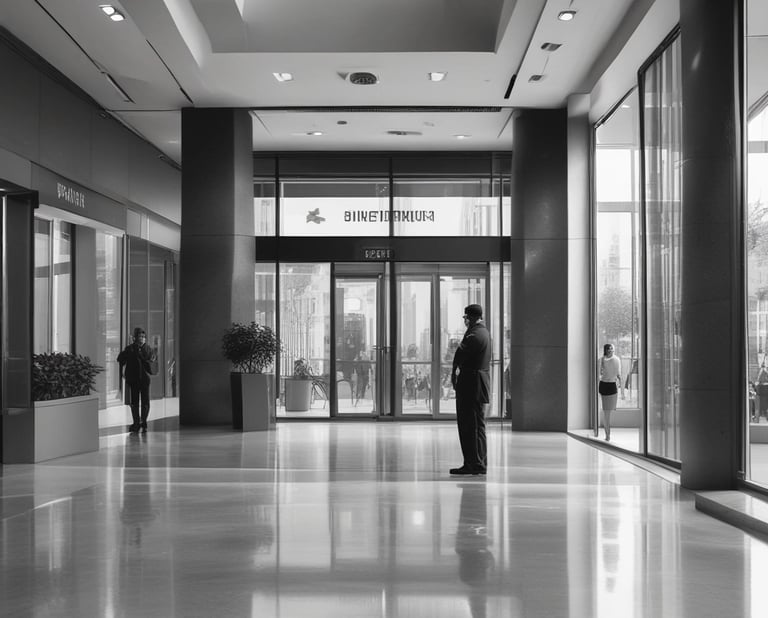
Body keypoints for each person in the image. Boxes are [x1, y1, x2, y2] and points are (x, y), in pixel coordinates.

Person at [450, 304, 491, 475]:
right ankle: (478, 462)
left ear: (473, 317)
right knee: (477, 424)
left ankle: (473, 464)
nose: (465, 321)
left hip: (471, 384)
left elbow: (460, 354)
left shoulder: (475, 334)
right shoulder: (483, 332)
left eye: (466, 317)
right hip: (476, 382)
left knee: (469, 425)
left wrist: (454, 371)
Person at [118, 327, 156, 433]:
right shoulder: (130, 349)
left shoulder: (147, 349)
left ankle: (143, 422)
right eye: (140, 336)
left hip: (144, 380)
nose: (142, 339)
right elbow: (120, 359)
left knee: (145, 402)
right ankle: (136, 423)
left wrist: (138, 350)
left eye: (144, 337)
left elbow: (151, 361)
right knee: (135, 402)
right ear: (135, 338)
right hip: (134, 380)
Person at [598, 343, 621, 441]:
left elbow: (619, 374)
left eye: (612, 349)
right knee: (606, 412)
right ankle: (607, 434)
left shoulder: (617, 359)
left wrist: (622, 389)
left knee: (610, 411)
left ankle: (608, 434)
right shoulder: (601, 360)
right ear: (605, 350)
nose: (611, 350)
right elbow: (598, 374)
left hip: (612, 385)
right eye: (609, 349)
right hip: (605, 385)